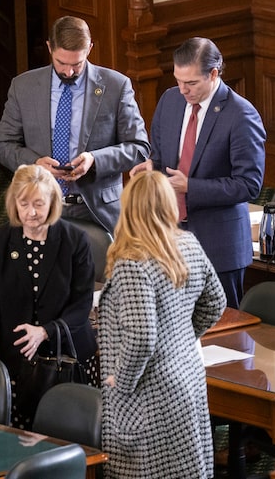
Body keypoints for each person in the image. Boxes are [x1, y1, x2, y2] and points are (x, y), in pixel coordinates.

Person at [99, 170, 225, 479]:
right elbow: (216, 302)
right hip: (188, 377)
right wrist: (180, 339)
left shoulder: (132, 261)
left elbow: (141, 337)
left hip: (147, 390)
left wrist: (123, 381)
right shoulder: (189, 244)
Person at [130, 37, 266, 309]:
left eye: (191, 83)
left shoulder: (241, 114)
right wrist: (152, 166)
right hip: (170, 239)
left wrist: (190, 187)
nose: (183, 90)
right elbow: (161, 155)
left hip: (219, 247)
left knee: (224, 335)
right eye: (179, 80)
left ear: (214, 74)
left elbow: (249, 185)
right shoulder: (170, 101)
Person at [0, 165, 97, 429]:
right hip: (13, 357)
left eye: (38, 203)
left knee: (63, 437)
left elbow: (82, 305)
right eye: (23, 203)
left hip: (65, 357)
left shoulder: (76, 240)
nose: (31, 212)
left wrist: (45, 332)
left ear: (53, 202)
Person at [0, 16, 150, 233]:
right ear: (49, 48)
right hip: (39, 209)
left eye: (77, 64)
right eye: (61, 63)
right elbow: (4, 145)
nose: (68, 72)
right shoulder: (23, 87)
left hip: (97, 212)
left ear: (90, 49)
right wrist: (35, 163)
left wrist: (95, 160)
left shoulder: (116, 86)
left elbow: (139, 147)